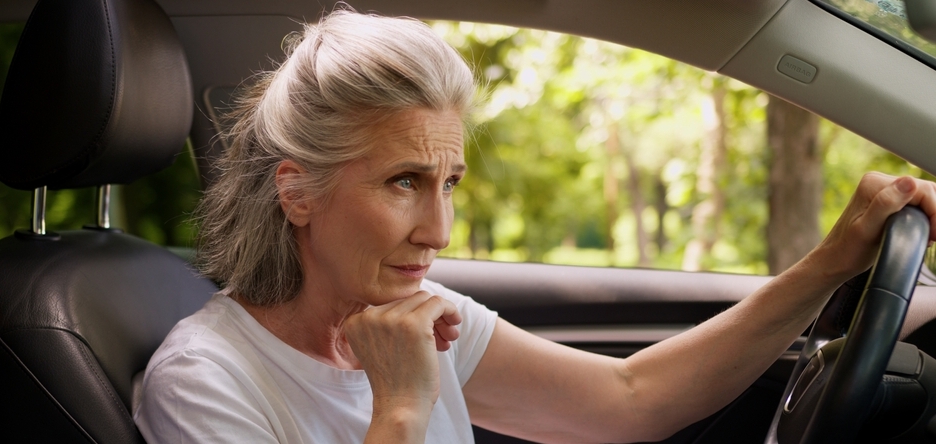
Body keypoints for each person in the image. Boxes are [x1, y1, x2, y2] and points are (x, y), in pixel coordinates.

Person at [133, 9, 936, 444]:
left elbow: (631, 398)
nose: (438, 230)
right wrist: (404, 411)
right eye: (404, 182)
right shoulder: (205, 382)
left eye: (449, 182)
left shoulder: (418, 320)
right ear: (297, 192)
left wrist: (830, 264)